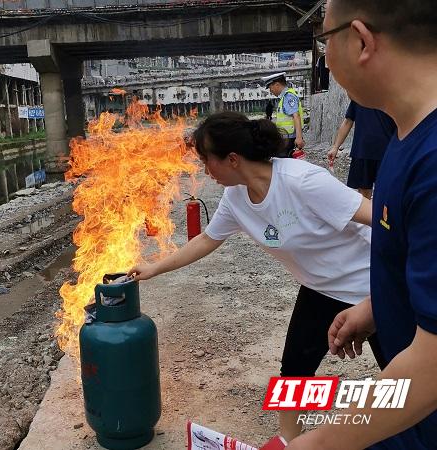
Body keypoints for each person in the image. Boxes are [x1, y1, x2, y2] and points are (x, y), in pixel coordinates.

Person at [128, 112, 384, 442]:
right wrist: (154, 267)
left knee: (404, 369)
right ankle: (289, 442)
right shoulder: (236, 198)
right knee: (294, 371)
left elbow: (379, 218)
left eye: (208, 162)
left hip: (374, 283)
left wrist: (400, 281)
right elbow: (207, 239)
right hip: (321, 287)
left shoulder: (302, 181)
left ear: (232, 159)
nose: (206, 172)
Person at [286, 1, 437, 449]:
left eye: (324, 41)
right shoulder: (404, 135)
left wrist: (322, 441)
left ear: (361, 40)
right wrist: (376, 308)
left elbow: (432, 362)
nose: (325, 57)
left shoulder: (431, 162)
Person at [327, 100, 396, 199]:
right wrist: (335, 147)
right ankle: (367, 214)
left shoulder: (390, 94)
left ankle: (381, 215)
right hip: (362, 151)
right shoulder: (358, 95)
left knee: (385, 194)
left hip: (387, 152)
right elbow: (348, 121)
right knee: (363, 194)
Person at [262, 72, 305, 157]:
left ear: (277, 85)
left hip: (289, 139)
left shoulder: (288, 97)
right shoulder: (284, 97)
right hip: (285, 138)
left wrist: (299, 137)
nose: (271, 91)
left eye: (270, 88)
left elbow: (296, 116)